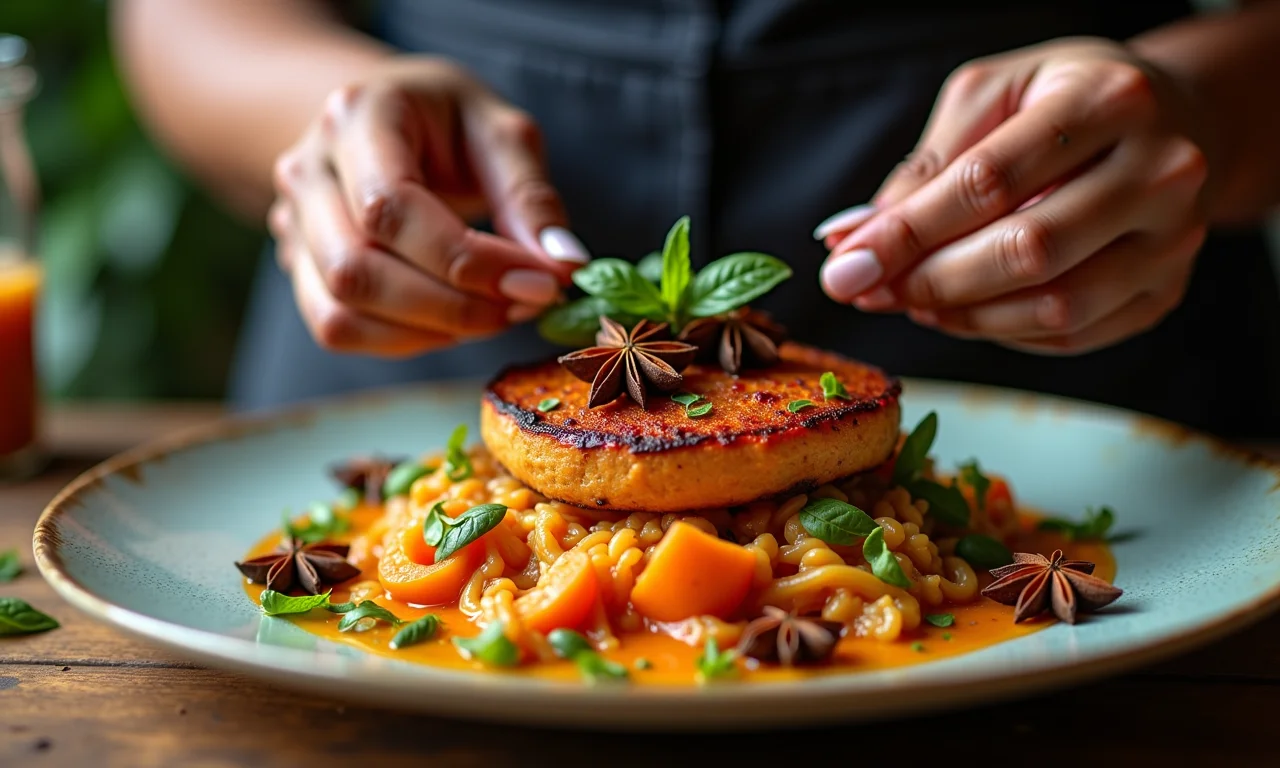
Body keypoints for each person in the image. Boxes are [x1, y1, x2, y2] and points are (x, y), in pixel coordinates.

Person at [113, 0, 1280, 438]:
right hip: (409, 367)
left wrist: (1199, 114)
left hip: (1087, 376)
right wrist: (315, 122)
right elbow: (182, 21)